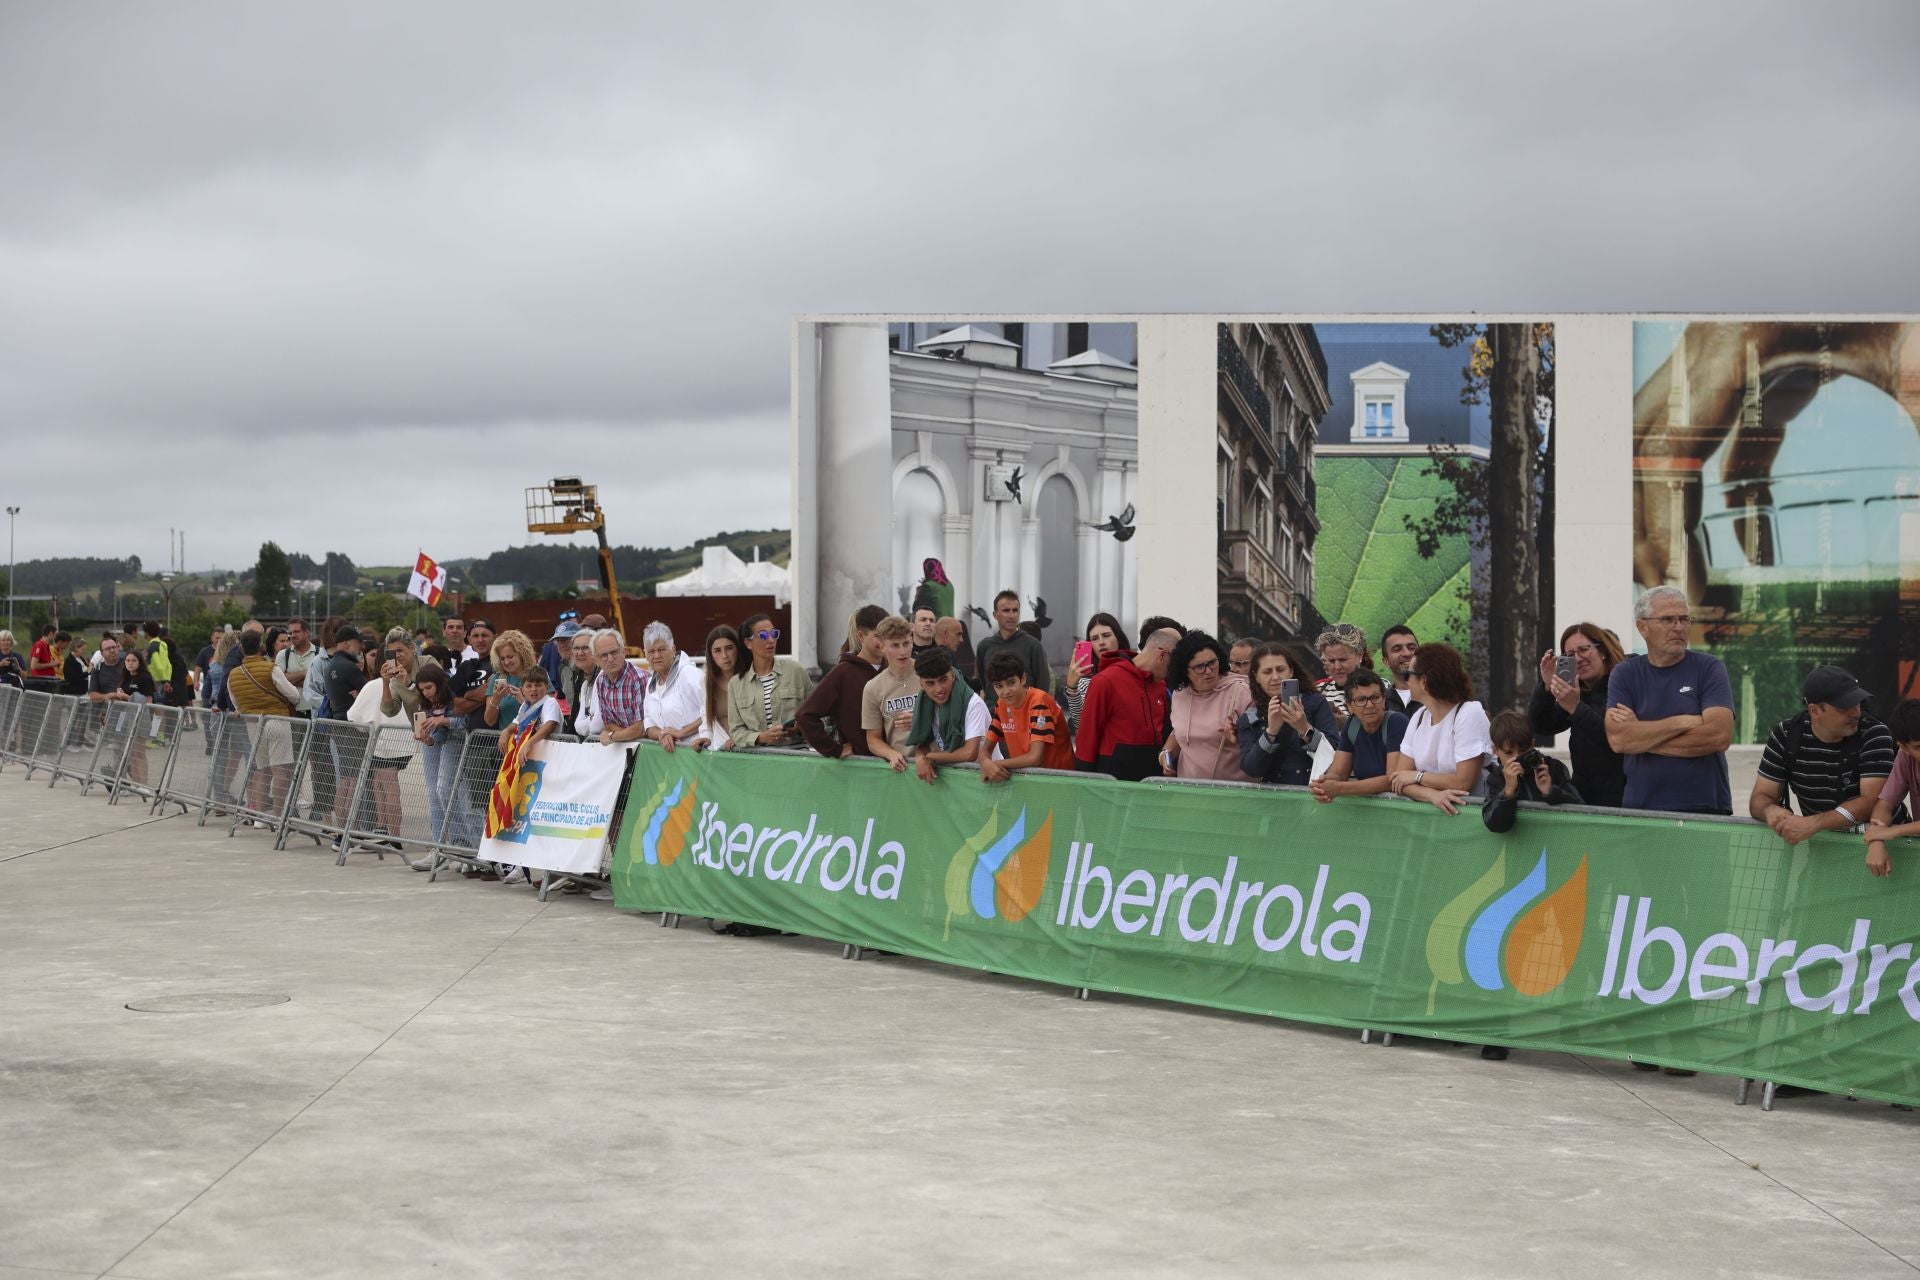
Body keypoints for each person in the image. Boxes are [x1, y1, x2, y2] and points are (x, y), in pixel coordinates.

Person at [1605, 586, 1734, 816]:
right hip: (1642, 809)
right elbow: (1619, 739)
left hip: (1705, 808)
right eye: (1668, 619)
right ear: (1642, 627)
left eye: (1684, 619)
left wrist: (1642, 738)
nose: (1679, 627)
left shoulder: (1709, 668)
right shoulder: (1625, 674)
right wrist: (1682, 722)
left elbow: (1718, 735)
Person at [1749, 666, 1893, 845]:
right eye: (1844, 706)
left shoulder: (1874, 733)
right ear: (1815, 710)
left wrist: (1813, 824)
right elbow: (1759, 799)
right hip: (1823, 851)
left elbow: (1872, 803)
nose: (1856, 712)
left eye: (1858, 702)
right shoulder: (1786, 734)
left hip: (1883, 851)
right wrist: (1770, 811)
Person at [1528, 623, 1628, 808]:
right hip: (1585, 797)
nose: (1578, 658)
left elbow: (1614, 740)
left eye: (1584, 649)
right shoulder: (1580, 692)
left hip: (1622, 800)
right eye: (1570, 654)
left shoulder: (1624, 684)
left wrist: (1575, 707)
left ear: (1603, 651)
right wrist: (1546, 687)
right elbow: (1541, 726)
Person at [1387, 643, 1491, 816]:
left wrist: (1416, 777)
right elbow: (1399, 779)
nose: (1406, 680)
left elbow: (1463, 782)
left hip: (1472, 819)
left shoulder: (1469, 713)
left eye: (1408, 674)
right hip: (1432, 820)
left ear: (1425, 681)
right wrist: (1433, 795)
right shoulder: (1419, 717)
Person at [1075, 627, 1178, 782]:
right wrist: (1084, 784)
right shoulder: (1105, 681)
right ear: (1162, 656)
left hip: (1152, 784)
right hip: (1113, 785)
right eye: (1173, 666)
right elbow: (1087, 739)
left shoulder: (1160, 685)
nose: (1173, 673)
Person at [1238, 641, 1340, 787]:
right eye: (1267, 672)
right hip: (1274, 801)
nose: (1275, 677)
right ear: (1256, 676)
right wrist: (1271, 732)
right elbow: (1252, 769)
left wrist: (1304, 729)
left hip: (1315, 795)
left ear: (1291, 671)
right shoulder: (1250, 717)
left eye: (1280, 669)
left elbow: (1334, 752)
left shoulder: (1315, 703)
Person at [225, 629, 300, 819]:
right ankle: (278, 814)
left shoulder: (233, 674)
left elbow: (236, 704)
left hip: (253, 724)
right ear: (261, 647)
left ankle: (260, 815)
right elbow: (294, 695)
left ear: (241, 649)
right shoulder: (270, 668)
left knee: (262, 770)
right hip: (277, 721)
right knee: (280, 770)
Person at [797, 605, 888, 759]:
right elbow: (805, 716)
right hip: (860, 767)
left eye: (888, 635)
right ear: (861, 635)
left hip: (897, 766)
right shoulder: (842, 673)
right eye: (878, 636)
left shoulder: (894, 669)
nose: (884, 642)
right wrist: (834, 749)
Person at [1162, 631, 1254, 781]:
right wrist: (1165, 754)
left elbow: (1260, 741)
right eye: (1199, 667)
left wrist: (1238, 734)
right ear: (1184, 670)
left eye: (1212, 662)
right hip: (1191, 794)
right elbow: (1178, 731)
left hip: (1236, 793)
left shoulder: (1243, 691)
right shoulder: (1180, 695)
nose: (1209, 671)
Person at [1310, 669, 1411, 803]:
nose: (1369, 705)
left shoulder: (1397, 722)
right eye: (1361, 700)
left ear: (1384, 699)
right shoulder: (1352, 724)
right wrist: (1324, 784)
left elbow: (1391, 779)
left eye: (1375, 697)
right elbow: (1339, 773)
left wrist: (1339, 788)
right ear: (1349, 706)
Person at [1482, 709, 1584, 834]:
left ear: (1533, 744)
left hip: (1556, 842)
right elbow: (1495, 825)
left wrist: (1550, 791)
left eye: (1523, 750)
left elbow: (1580, 808)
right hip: (1519, 848)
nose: (1516, 758)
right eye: (1508, 753)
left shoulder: (1553, 767)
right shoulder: (1495, 779)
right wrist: (1507, 792)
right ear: (1495, 751)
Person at [980, 650, 1074, 781]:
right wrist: (985, 763)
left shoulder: (1039, 702)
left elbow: (1035, 758)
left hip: (1058, 780)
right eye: (999, 686)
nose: (1006, 691)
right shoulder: (1001, 704)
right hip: (1029, 780)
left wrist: (995, 765)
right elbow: (985, 750)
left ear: (1023, 679)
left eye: (1011, 683)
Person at [728, 613, 814, 749]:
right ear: (748, 643)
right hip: (759, 759)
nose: (771, 640)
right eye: (763, 636)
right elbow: (736, 731)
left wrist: (799, 729)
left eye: (773, 634)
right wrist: (760, 737)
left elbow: (817, 714)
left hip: (796, 755)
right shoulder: (736, 684)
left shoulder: (795, 670)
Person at [906, 648, 988, 783]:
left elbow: (969, 753)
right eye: (930, 683)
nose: (939, 689)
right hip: (958, 780)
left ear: (953, 675)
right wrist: (921, 757)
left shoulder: (973, 703)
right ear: (921, 684)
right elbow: (923, 741)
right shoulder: (924, 703)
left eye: (943, 680)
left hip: (987, 780)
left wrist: (930, 757)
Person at [406, 663, 458, 868]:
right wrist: (428, 739)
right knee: (434, 795)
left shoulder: (453, 696)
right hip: (436, 744)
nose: (426, 693)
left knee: (450, 794)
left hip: (458, 745)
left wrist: (443, 721)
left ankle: (460, 848)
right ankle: (438, 849)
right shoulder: (427, 702)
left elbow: (464, 721)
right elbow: (439, 736)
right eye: (422, 689)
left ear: (439, 683)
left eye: (429, 687)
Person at [1863, 700, 1920, 877]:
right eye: (1919, 747)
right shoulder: (1904, 757)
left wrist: (1892, 831)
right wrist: (1876, 840)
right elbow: (1884, 805)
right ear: (1903, 747)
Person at [861, 615, 921, 771]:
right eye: (895, 645)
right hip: (903, 768)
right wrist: (890, 754)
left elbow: (956, 716)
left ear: (912, 640)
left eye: (906, 643)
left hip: (938, 764)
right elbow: (873, 739)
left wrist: (922, 719)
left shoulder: (930, 673)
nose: (903, 651)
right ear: (881, 647)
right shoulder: (873, 687)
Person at [971, 590, 1051, 697]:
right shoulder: (984, 646)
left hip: (1025, 712)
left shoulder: (1033, 646)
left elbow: (1042, 687)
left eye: (1015, 610)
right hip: (993, 712)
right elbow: (984, 685)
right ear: (995, 615)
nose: (1011, 615)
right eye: (1006, 610)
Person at [640, 623, 704, 753]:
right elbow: (648, 724)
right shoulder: (650, 684)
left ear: (673, 650)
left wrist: (681, 733)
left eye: (662, 649)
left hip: (699, 751)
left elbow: (713, 711)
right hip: (672, 757)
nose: (656, 655)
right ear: (645, 654)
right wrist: (663, 734)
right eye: (651, 651)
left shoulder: (689, 674)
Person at [1061, 612, 1125, 734]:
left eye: (1106, 635)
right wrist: (1072, 688)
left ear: (1118, 637)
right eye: (1094, 638)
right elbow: (1081, 723)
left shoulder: (1134, 669)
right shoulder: (1086, 681)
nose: (1101, 642)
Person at [589, 628, 646, 747]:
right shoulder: (601, 682)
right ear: (596, 660)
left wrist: (611, 736)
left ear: (624, 651)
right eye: (604, 655)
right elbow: (608, 724)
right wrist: (628, 734)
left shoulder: (639, 679)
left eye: (614, 652)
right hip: (626, 749)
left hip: (648, 751)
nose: (610, 659)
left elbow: (641, 729)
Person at [1314, 622, 1370, 723]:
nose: (1337, 667)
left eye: (1343, 660)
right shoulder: (1317, 690)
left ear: (1360, 655)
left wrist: (1346, 724)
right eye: (1331, 661)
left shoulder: (1381, 687)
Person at [697, 625, 741, 751]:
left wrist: (741, 738)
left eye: (729, 648)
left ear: (738, 649)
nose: (724, 655)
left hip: (750, 749)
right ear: (710, 655)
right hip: (720, 750)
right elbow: (706, 716)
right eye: (717, 650)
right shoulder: (706, 681)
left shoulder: (750, 677)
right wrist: (705, 737)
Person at [1381, 626, 1420, 712]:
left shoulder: (1438, 695)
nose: (1407, 653)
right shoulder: (1380, 703)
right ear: (1386, 661)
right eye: (1397, 649)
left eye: (1412, 648)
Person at [933, 615, 976, 682]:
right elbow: (962, 685)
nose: (961, 640)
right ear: (945, 634)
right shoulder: (944, 657)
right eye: (958, 634)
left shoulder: (947, 655)